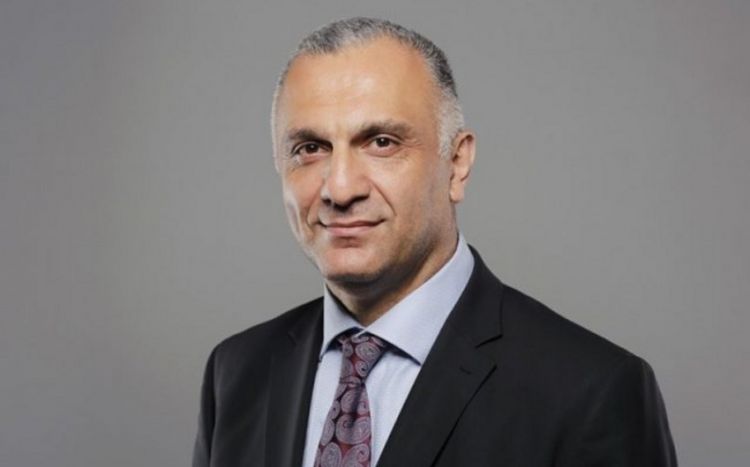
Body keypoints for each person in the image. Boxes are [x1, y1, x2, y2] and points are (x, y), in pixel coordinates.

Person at [192, 17, 677, 467]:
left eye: (381, 142)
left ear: (457, 164)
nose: (340, 188)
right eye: (310, 148)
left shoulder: (591, 392)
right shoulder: (236, 372)